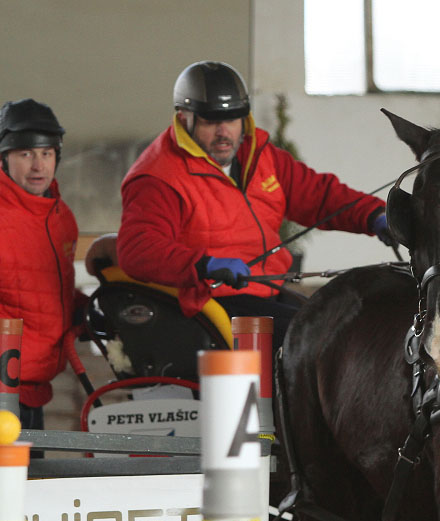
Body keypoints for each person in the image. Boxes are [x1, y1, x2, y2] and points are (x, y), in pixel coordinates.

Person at [117, 61, 390, 346]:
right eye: (211, 122)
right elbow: (137, 248)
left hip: (267, 291)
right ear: (184, 117)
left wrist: (374, 215)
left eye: (233, 119)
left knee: (348, 327)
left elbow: (319, 195)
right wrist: (203, 265)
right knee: (317, 345)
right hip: (211, 305)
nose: (224, 132)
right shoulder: (159, 176)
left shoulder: (259, 156)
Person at [0, 98, 84, 439]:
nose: (38, 166)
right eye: (25, 154)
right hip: (3, 385)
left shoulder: (61, 219)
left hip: (32, 386)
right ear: (4, 158)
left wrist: (87, 309)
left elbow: (44, 289)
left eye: (46, 153)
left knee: (31, 486)